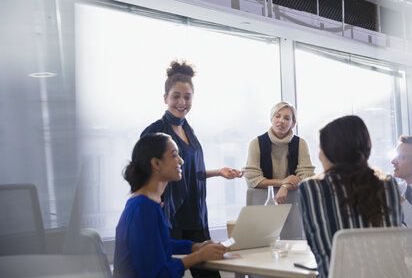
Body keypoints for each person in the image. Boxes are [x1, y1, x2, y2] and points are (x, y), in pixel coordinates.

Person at [140, 60, 242, 278]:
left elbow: (188, 171)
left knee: (209, 273)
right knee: (169, 271)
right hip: (171, 216)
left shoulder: (189, 131)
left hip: (195, 214)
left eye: (187, 97)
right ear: (165, 98)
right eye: (176, 96)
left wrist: (217, 172)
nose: (182, 102)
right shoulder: (155, 132)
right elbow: (143, 173)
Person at [298, 115, 402, 278]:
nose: (319, 156)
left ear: (331, 151)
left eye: (320, 149)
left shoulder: (311, 188)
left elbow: (316, 246)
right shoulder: (388, 184)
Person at [113, 133, 228, 278]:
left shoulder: (148, 203)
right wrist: (199, 256)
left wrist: (196, 247)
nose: (181, 161)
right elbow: (157, 275)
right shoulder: (143, 208)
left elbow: (161, 246)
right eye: (174, 155)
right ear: (156, 163)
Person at [243, 101, 315, 204]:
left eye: (286, 118)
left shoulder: (301, 143)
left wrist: (286, 187)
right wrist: (282, 182)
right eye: (277, 116)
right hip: (262, 200)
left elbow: (307, 176)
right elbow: (252, 179)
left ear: (293, 123)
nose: (281, 121)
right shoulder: (256, 143)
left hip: (294, 199)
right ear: (271, 119)